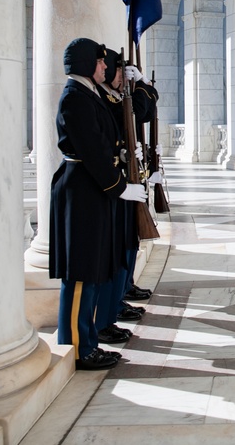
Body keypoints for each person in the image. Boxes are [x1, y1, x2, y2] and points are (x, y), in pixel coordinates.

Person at [49, 38, 148, 370]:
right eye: (101, 61)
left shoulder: (86, 94)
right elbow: (91, 150)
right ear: (85, 63)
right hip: (81, 191)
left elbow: (106, 140)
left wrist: (123, 156)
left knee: (91, 270)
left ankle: (87, 339)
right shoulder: (75, 98)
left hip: (91, 191)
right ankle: (77, 347)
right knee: (81, 273)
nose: (106, 67)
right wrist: (119, 187)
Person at [93, 49, 156, 345]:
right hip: (115, 185)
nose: (120, 73)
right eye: (118, 69)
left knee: (128, 243)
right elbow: (139, 111)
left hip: (125, 179)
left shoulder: (113, 97)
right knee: (118, 248)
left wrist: (142, 83)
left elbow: (146, 110)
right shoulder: (104, 98)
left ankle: (121, 294)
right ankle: (112, 307)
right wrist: (142, 87)